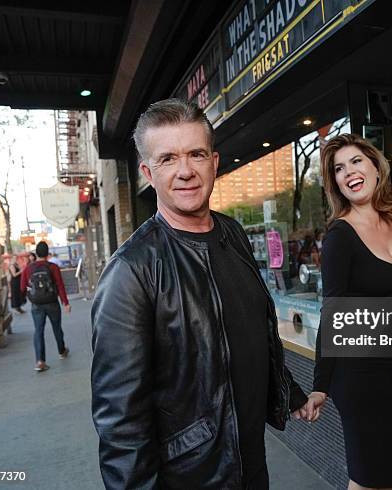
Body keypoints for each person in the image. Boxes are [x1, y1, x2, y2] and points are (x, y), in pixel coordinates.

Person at [91, 98, 308, 489]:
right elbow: (120, 424)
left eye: (196, 154)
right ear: (147, 172)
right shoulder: (131, 271)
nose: (186, 171)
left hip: (248, 462)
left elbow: (250, 331)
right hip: (191, 477)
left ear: (214, 161)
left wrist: (288, 391)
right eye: (168, 159)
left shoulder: (233, 234)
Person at [306, 134, 392, 489]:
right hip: (358, 373)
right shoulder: (340, 236)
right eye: (339, 169)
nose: (348, 172)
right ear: (336, 183)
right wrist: (320, 386)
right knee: (369, 477)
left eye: (355, 162)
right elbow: (333, 313)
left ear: (374, 166)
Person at [20, 241, 71, 372]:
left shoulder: (28, 269)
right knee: (56, 327)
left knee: (38, 331)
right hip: (52, 302)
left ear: (36, 254)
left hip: (36, 304)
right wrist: (65, 303)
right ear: (48, 254)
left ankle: (40, 361)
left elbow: (22, 287)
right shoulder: (53, 267)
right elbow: (60, 286)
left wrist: (31, 295)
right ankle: (62, 351)